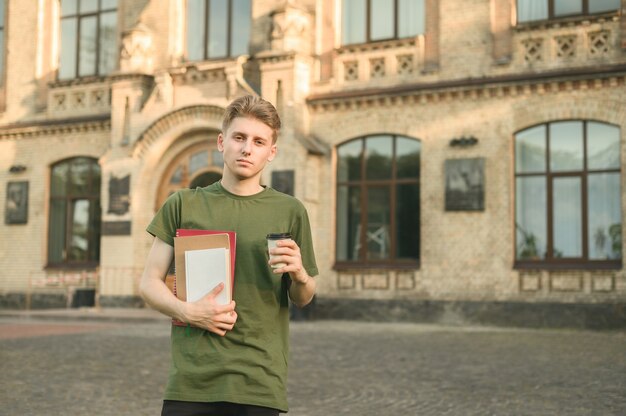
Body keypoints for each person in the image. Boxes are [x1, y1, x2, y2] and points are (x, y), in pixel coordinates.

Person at [139, 95, 318, 416]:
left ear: (271, 152)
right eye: (239, 137)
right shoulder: (183, 204)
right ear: (222, 142)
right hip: (192, 378)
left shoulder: (290, 211)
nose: (247, 148)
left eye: (259, 141)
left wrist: (300, 275)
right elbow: (149, 283)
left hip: (258, 379)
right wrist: (189, 312)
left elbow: (303, 297)